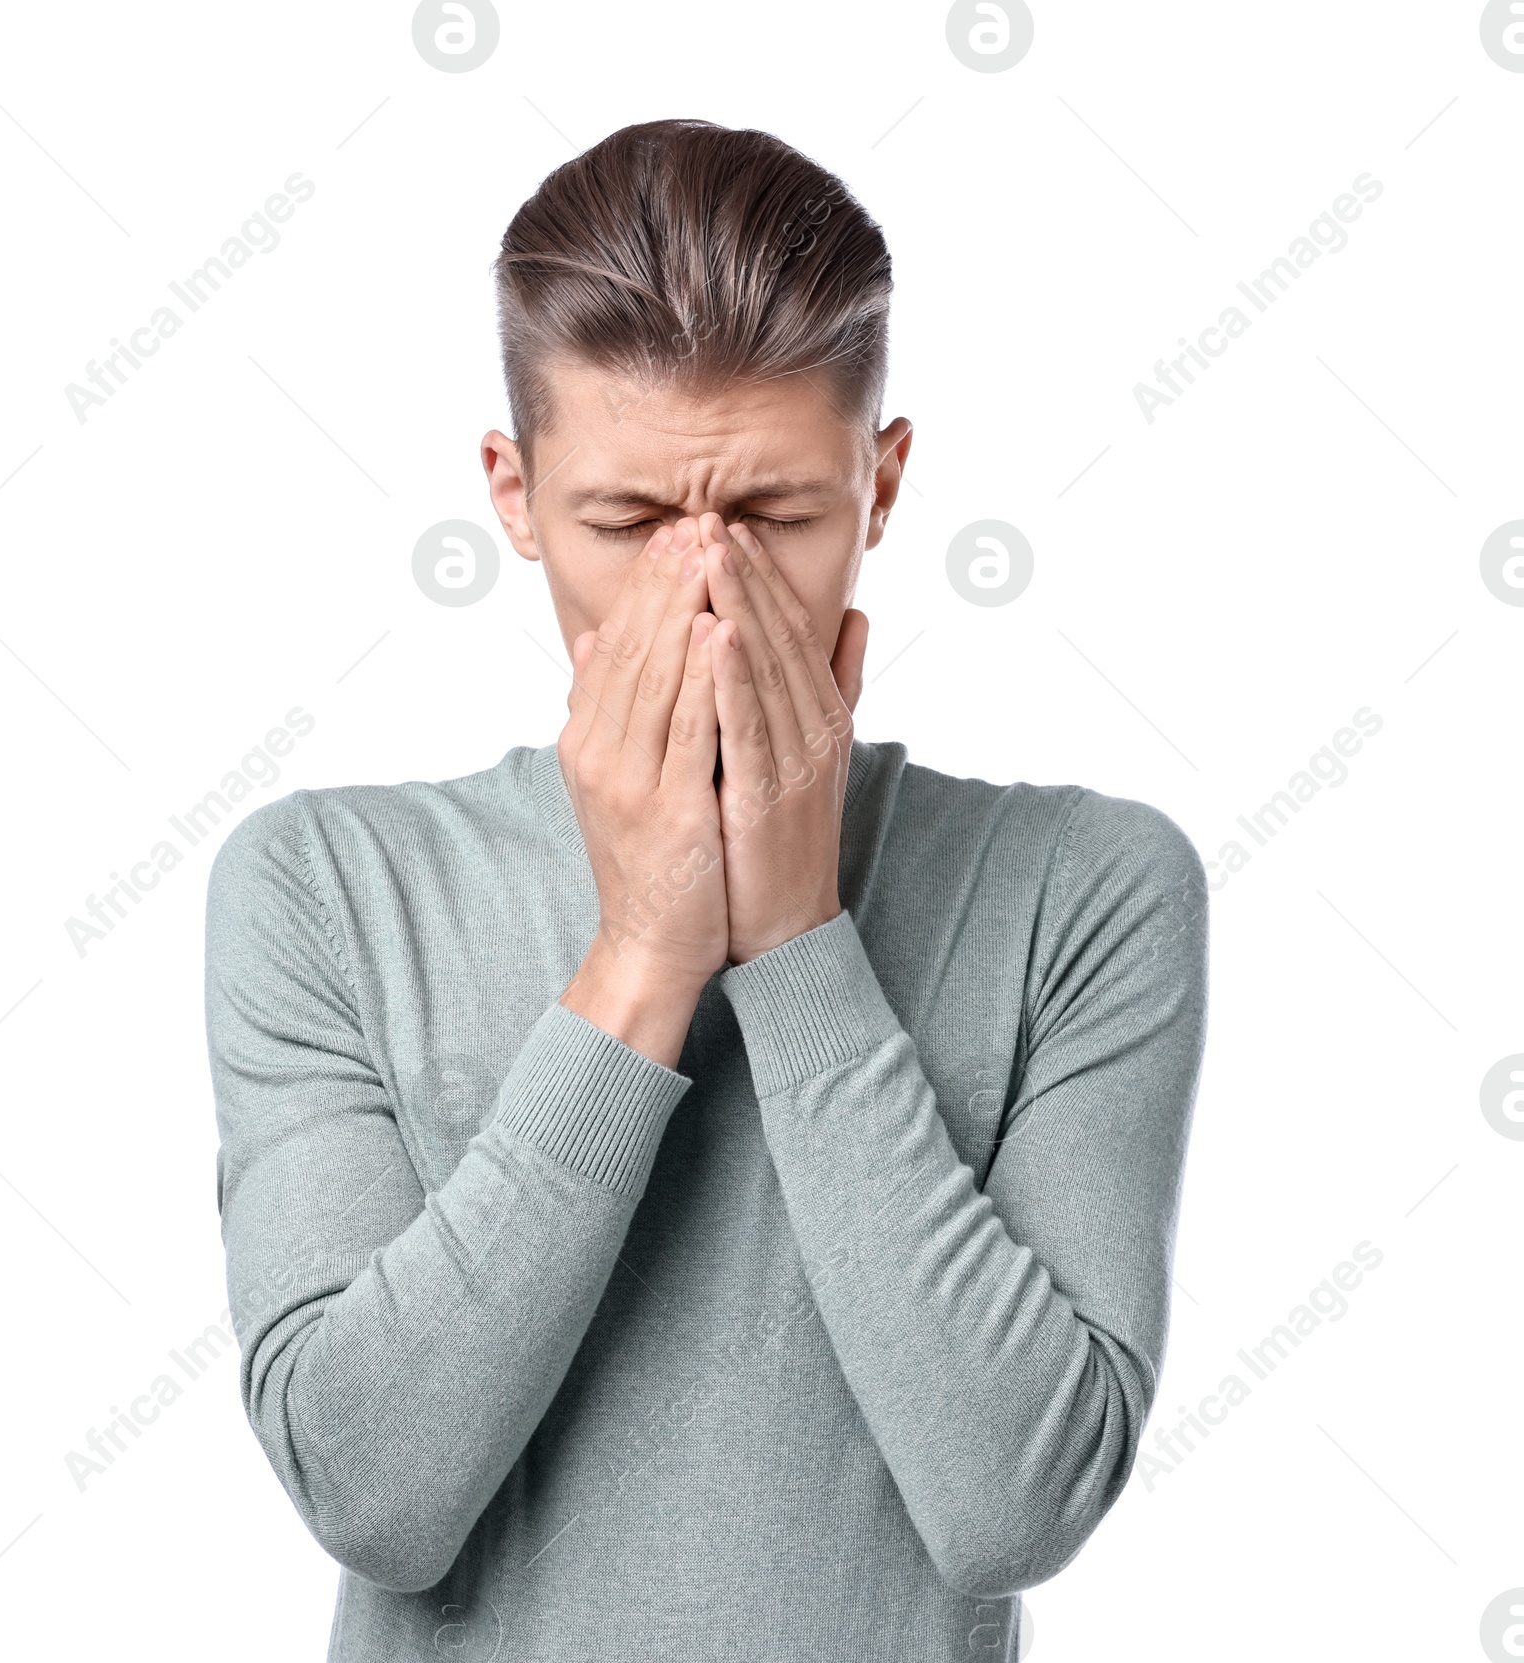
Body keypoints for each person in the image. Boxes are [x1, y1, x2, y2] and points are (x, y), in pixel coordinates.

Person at [204, 117, 1210, 1661]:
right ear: (515, 493)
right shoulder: (328, 888)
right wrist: (641, 957)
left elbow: (1017, 1505)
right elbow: (376, 1495)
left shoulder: (1085, 889)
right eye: (626, 524)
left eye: (777, 520)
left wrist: (801, 940)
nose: (709, 601)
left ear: (882, 488)